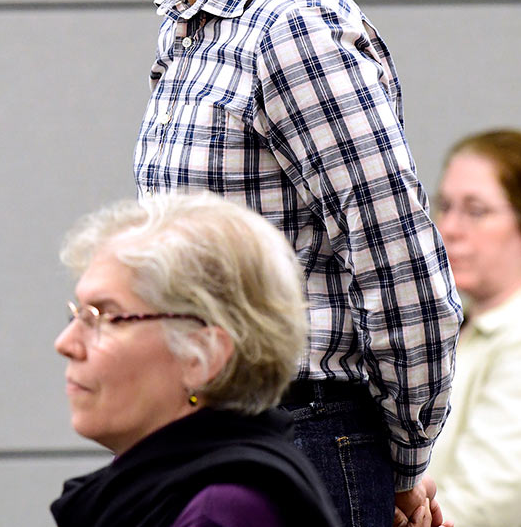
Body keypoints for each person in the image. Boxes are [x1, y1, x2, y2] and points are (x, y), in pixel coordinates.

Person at [109, 0, 461, 524]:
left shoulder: (293, 26)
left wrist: (399, 462)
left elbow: (406, 276)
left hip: (304, 433)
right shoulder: (192, 25)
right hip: (213, 427)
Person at [51, 192, 342, 527]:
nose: (66, 343)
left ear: (203, 356)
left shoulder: (221, 510)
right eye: (78, 314)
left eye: (108, 317)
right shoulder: (152, 490)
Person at [426, 130, 521, 527]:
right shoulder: (463, 324)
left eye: (476, 211)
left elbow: (486, 506)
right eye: (445, 206)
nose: (450, 228)